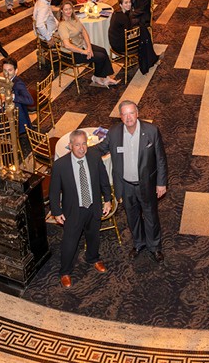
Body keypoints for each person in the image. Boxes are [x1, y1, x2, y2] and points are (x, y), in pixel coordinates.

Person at [95, 101, 168, 262]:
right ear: (120, 117)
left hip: (146, 185)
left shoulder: (151, 131)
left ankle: (154, 246)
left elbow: (161, 159)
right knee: (132, 217)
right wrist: (80, 151)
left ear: (137, 113)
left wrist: (161, 183)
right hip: (126, 186)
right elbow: (101, 149)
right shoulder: (114, 132)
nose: (128, 117)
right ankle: (138, 243)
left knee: (151, 216)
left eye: (131, 113)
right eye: (124, 114)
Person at [49, 129, 113, 288]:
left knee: (94, 237)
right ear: (70, 146)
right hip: (74, 211)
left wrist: (107, 200)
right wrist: (56, 211)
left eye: (84, 144)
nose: (81, 148)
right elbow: (54, 191)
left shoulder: (94, 157)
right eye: (77, 145)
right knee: (69, 243)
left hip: (93, 206)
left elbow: (104, 179)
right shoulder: (60, 165)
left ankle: (93, 258)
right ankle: (65, 272)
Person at [57, 1, 120, 87]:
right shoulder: (62, 25)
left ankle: (104, 77)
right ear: (61, 11)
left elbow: (84, 31)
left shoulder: (74, 18)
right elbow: (67, 45)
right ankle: (97, 77)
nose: (68, 11)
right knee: (100, 56)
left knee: (103, 50)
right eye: (66, 9)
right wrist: (84, 52)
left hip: (81, 46)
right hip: (71, 53)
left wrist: (89, 47)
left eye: (70, 9)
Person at [109, 0, 159, 75]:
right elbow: (129, 32)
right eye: (126, 3)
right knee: (144, 37)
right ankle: (149, 61)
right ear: (120, 4)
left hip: (114, 42)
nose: (128, 4)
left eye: (129, 2)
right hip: (121, 46)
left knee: (143, 31)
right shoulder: (124, 18)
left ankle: (151, 58)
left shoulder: (117, 13)